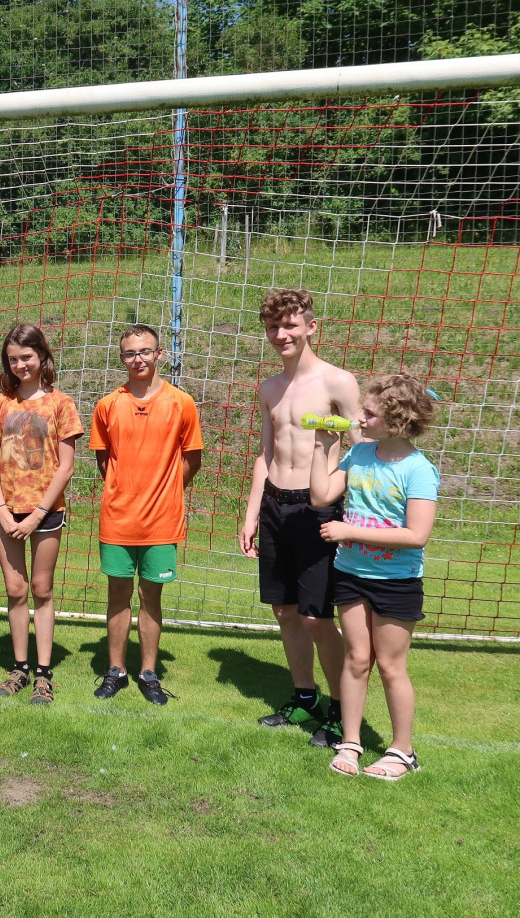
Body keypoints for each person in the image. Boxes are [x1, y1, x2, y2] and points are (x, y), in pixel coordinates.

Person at [238, 287, 362, 747]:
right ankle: (305, 697)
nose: (281, 334)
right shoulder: (269, 388)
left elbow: (361, 452)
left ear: (311, 327)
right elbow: (266, 453)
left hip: (318, 509)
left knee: (317, 618)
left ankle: (340, 711)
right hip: (275, 505)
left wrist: (346, 509)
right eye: (273, 327)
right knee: (285, 611)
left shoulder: (338, 382)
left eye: (290, 325)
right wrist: (252, 514)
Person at [309, 375, 438, 780]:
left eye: (369, 413)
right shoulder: (360, 454)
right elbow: (320, 496)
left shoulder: (419, 470)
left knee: (391, 666)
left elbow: (416, 535)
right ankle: (350, 742)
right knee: (357, 658)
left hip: (396, 582)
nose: (359, 419)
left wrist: (349, 531)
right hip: (351, 574)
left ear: (396, 421)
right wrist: (322, 447)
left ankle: (403, 751)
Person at [88, 324, 202, 704]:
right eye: (129, 353)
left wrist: (162, 491)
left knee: (151, 595)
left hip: (162, 521)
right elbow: (104, 460)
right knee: (117, 594)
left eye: (145, 351)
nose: (137, 359)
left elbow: (192, 460)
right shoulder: (107, 405)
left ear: (159, 354)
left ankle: (148, 672)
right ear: (122, 358)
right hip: (117, 519)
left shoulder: (181, 403)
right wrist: (127, 491)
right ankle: (115, 670)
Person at [0, 324, 82, 705]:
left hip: (46, 513)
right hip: (7, 513)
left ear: (42, 356)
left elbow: (66, 467)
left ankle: (43, 673)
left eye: (26, 357)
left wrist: (37, 514)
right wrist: (1, 509)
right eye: (13, 359)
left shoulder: (61, 403)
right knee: (15, 590)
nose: (20, 365)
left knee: (41, 590)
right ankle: (20, 668)